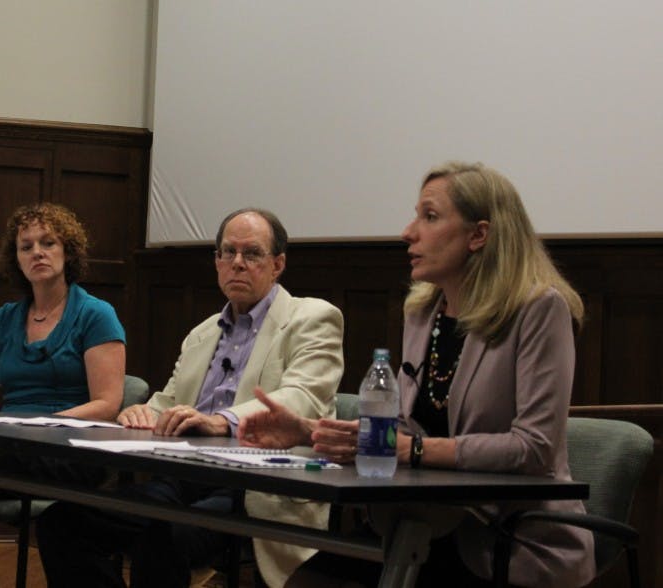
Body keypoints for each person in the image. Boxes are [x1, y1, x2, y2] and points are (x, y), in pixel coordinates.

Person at [239, 162, 595, 587]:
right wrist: (307, 431)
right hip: (422, 525)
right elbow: (403, 429)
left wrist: (412, 451)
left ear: (478, 235)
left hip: (506, 539)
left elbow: (534, 448)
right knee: (309, 579)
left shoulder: (538, 309)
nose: (409, 232)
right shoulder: (424, 311)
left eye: (429, 216)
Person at [36, 208, 344, 588]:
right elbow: (166, 402)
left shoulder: (312, 318)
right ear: (216, 262)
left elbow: (302, 399)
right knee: (60, 523)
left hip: (256, 486)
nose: (237, 263)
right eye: (227, 253)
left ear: (277, 264)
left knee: (161, 537)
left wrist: (222, 421)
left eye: (252, 254)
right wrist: (139, 412)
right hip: (185, 476)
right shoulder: (202, 334)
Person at [0, 202, 127, 582]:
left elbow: (108, 405)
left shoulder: (96, 315)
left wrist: (42, 424)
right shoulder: (4, 319)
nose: (37, 253)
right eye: (26, 246)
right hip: (8, 445)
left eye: (48, 242)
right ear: (15, 258)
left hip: (69, 446)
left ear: (69, 250)